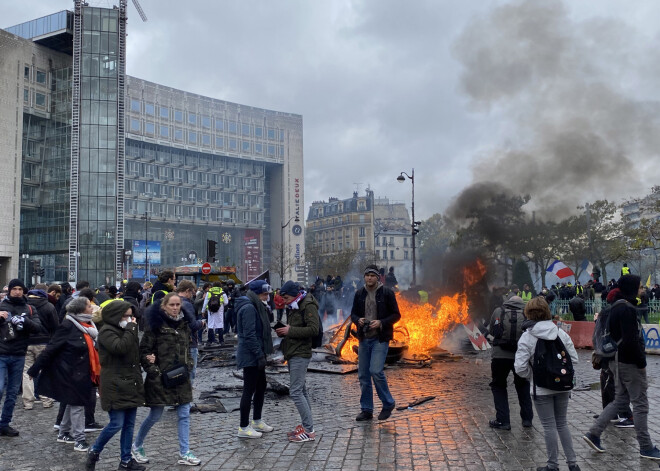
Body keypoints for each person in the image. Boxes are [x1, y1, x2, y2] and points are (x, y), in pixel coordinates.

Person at [582, 274, 660, 460]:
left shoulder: (616, 307)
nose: (643, 290)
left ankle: (594, 433)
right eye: (641, 287)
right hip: (629, 363)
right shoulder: (627, 309)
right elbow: (631, 341)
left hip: (615, 361)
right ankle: (646, 447)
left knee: (620, 401)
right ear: (633, 288)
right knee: (640, 405)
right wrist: (641, 363)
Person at [131, 293, 201, 466]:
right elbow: (144, 351)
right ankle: (137, 445)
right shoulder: (155, 326)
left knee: (184, 414)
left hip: (181, 377)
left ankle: (184, 452)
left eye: (178, 304)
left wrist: (189, 365)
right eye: (172, 305)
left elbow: (188, 347)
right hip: (161, 379)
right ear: (164, 306)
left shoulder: (184, 324)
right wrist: (154, 370)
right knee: (155, 415)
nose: (176, 308)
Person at [514, 297, 581, 471]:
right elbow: (574, 359)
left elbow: (520, 368)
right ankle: (573, 464)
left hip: (541, 389)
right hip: (563, 386)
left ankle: (552, 465)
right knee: (562, 424)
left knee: (549, 426)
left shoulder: (527, 337)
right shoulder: (561, 333)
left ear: (529, 314)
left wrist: (534, 376)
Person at [27, 296, 100, 452]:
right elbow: (51, 349)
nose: (92, 308)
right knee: (78, 404)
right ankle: (79, 440)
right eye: (89, 306)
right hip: (70, 372)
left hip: (83, 371)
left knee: (71, 402)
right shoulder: (68, 326)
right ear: (80, 309)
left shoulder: (88, 325)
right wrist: (34, 369)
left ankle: (63, 433)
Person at [85, 301, 146, 471]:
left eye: (130, 315)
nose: (129, 319)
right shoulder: (107, 331)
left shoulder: (126, 330)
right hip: (115, 383)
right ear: (115, 315)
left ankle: (126, 460)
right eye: (126, 315)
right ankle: (94, 450)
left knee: (129, 424)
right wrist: (131, 328)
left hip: (131, 381)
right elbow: (120, 348)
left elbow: (132, 352)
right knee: (117, 423)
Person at [350, 265, 401, 422]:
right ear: (364, 277)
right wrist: (358, 320)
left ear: (378, 277)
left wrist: (381, 322)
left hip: (380, 338)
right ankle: (366, 410)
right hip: (364, 338)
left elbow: (396, 315)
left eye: (373, 275)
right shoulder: (359, 294)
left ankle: (388, 403)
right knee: (363, 376)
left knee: (376, 371)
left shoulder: (387, 293)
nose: (370, 278)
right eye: (367, 275)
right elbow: (353, 314)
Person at [276, 280, 319, 442]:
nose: (284, 301)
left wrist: (290, 330)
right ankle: (307, 426)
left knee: (295, 391)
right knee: (301, 390)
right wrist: (285, 332)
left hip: (301, 353)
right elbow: (295, 328)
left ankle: (309, 431)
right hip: (293, 351)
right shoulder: (295, 305)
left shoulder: (307, 305)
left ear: (294, 294)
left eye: (286, 298)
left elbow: (313, 329)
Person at [0, 279, 44, 436]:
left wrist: (25, 321)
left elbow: (38, 328)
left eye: (20, 289)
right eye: (14, 289)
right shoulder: (1, 306)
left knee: (12, 393)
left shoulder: (29, 308)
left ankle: (4, 424)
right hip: (2, 354)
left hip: (19, 354)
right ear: (9, 290)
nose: (17, 291)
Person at [235, 280, 275, 438]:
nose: (267, 297)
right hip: (250, 354)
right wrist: (259, 354)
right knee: (249, 389)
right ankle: (243, 427)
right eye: (265, 294)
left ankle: (257, 420)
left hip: (257, 352)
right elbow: (250, 334)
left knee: (261, 386)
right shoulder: (249, 308)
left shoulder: (257, 306)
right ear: (258, 293)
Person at [487, 295, 533, 430]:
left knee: (499, 386)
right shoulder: (527, 313)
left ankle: (503, 421)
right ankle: (527, 419)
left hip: (500, 356)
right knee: (523, 385)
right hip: (521, 356)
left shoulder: (498, 311)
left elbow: (492, 331)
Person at [23, 284, 59, 409]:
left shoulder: (25, 306)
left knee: (27, 372)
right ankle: (47, 399)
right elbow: (55, 326)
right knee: (45, 370)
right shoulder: (49, 306)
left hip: (27, 342)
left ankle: (28, 402)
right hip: (44, 342)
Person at [175, 281, 205, 383]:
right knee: (189, 376)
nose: (192, 295)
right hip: (189, 342)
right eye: (192, 292)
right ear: (187, 291)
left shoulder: (172, 302)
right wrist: (201, 323)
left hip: (176, 343)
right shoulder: (186, 304)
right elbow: (192, 325)